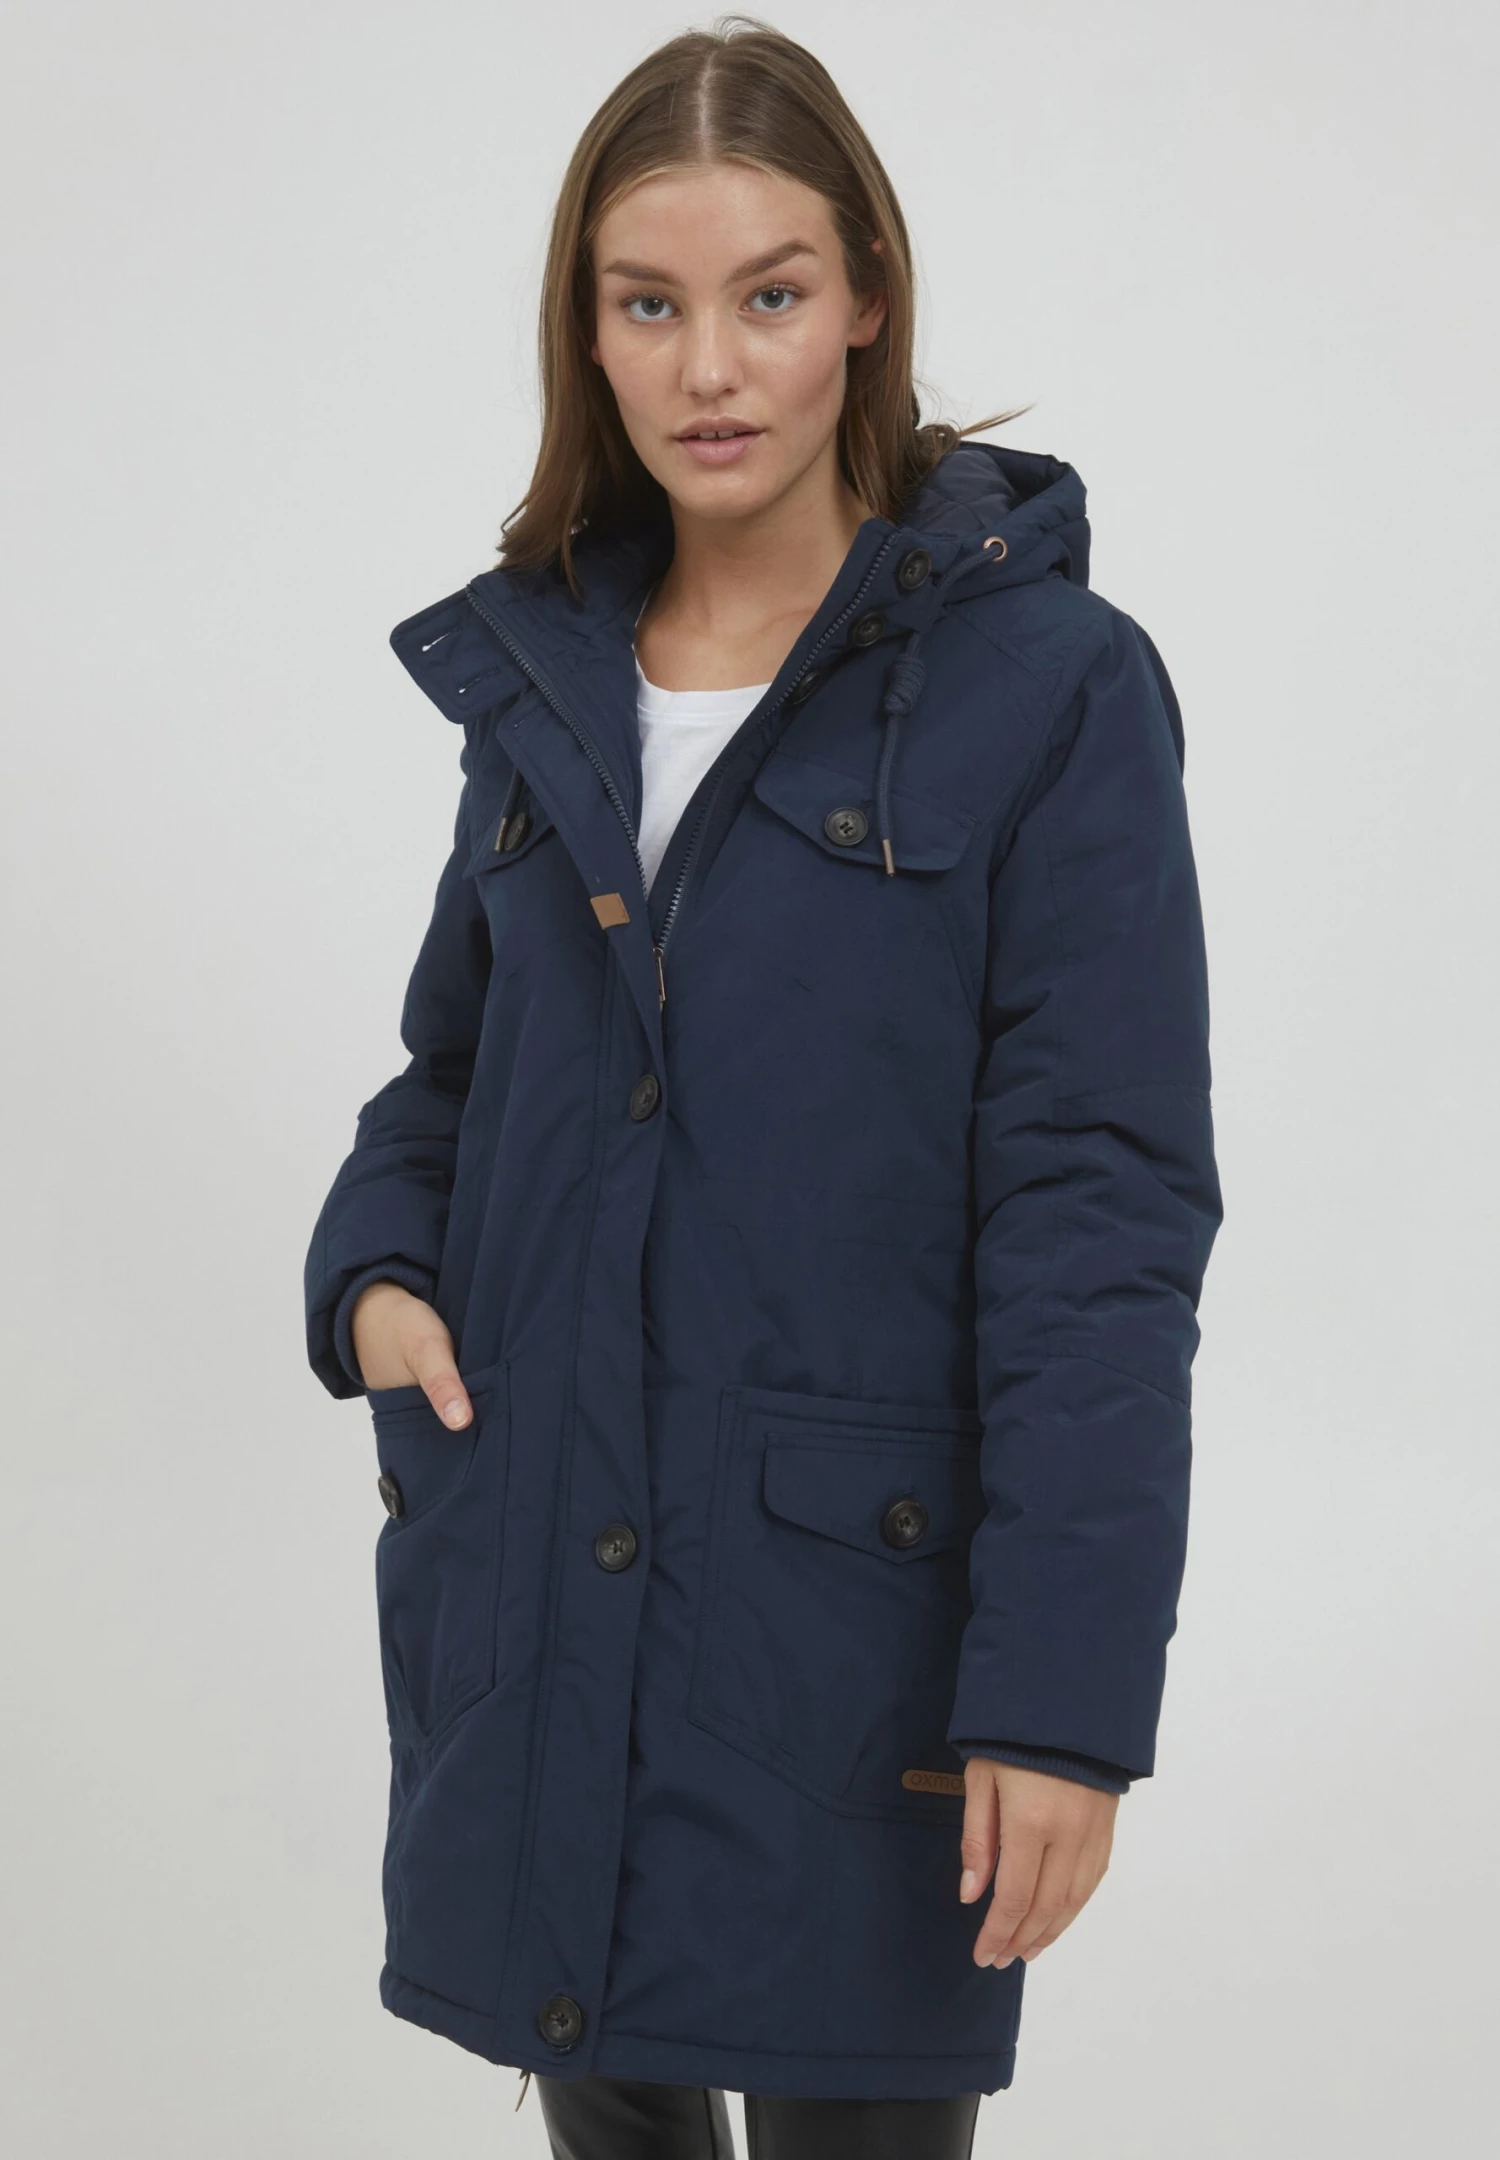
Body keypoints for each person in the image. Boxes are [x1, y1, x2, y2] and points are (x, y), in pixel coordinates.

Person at [302, 16, 1223, 2158]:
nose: (710, 367)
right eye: (650, 304)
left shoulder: (1051, 689)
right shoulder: (542, 684)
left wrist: (1064, 1698)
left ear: (866, 300)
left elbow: (1100, 1211)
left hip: (850, 1635)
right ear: (588, 332)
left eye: (770, 295)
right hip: (538, 1575)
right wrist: (375, 1284)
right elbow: (450, 1079)